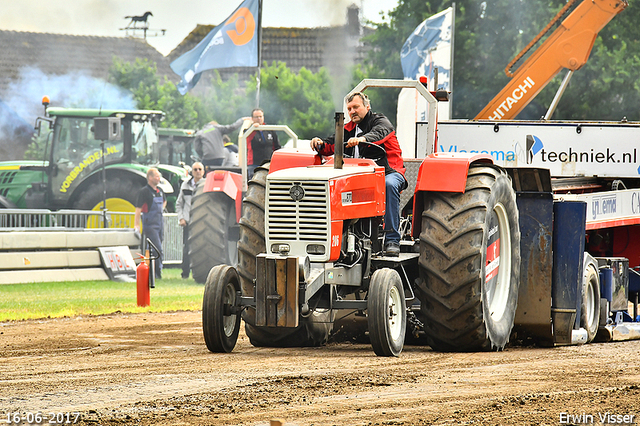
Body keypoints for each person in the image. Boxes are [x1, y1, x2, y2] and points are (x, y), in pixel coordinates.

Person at [311, 92, 407, 257]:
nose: (352, 111)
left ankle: (392, 239)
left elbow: (380, 133)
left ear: (367, 107)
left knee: (389, 185)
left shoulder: (380, 121)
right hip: (361, 175)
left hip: (389, 172)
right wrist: (319, 143)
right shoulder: (348, 129)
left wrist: (363, 139)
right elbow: (330, 145)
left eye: (356, 107)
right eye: (349, 109)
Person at [134, 168, 167, 278]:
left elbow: (164, 200)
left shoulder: (160, 191)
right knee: (157, 249)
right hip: (150, 225)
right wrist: (137, 225)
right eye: (157, 176)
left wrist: (162, 209)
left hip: (160, 223)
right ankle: (156, 274)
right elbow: (138, 209)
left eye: (159, 176)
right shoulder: (144, 192)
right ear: (150, 178)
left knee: (159, 247)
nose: (159, 178)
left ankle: (157, 271)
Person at [175, 161, 205, 279]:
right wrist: (181, 218)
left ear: (203, 171)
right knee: (187, 247)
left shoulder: (207, 185)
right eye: (195, 169)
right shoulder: (185, 185)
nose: (197, 171)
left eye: (199, 169)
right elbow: (179, 203)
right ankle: (185, 273)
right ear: (192, 172)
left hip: (202, 223)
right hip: (188, 222)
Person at [247, 108, 280, 177]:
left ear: (263, 117)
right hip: (254, 164)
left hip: (268, 164)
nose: (259, 119)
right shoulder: (249, 131)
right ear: (252, 118)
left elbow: (277, 147)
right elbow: (247, 140)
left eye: (260, 116)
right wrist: (253, 128)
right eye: (256, 117)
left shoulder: (270, 130)